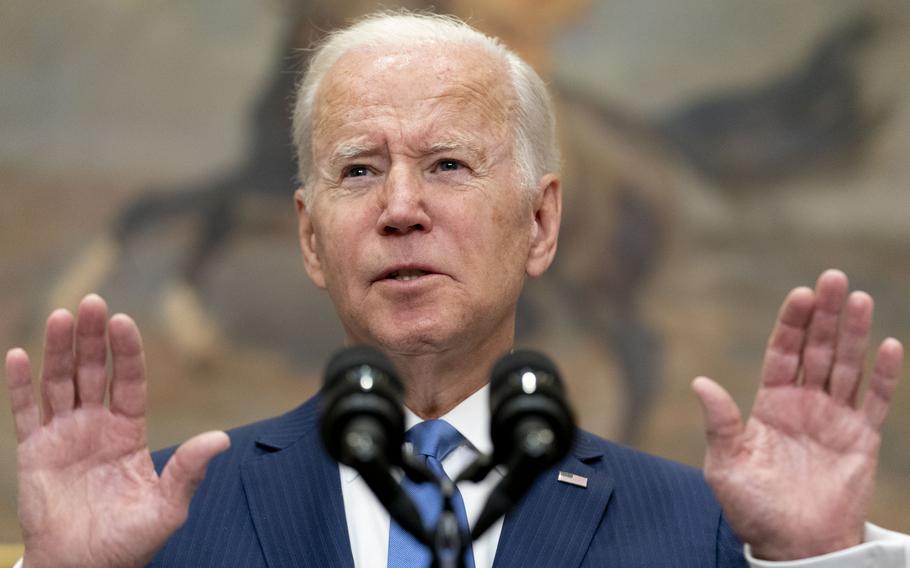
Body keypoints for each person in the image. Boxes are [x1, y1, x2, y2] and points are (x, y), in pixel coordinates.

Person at [4, 11, 909, 568]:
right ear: (311, 239)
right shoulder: (160, 520)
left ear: (542, 224)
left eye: (447, 164)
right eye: (358, 171)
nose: (401, 208)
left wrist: (820, 561)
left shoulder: (707, 533)